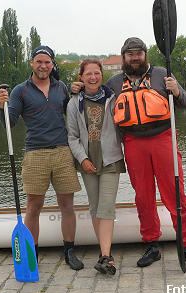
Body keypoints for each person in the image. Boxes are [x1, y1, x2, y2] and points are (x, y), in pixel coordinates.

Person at [72, 37, 186, 271]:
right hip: (133, 142)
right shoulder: (113, 83)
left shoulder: (162, 74)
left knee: (175, 195)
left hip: (163, 139)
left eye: (138, 53)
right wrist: (78, 87)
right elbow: (93, 92)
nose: (134, 57)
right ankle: (152, 243)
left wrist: (176, 91)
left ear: (145, 55)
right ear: (123, 58)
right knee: (143, 196)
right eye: (130, 54)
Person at [0, 45, 84, 271]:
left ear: (52, 64)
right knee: (33, 206)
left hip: (63, 151)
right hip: (35, 153)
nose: (43, 66)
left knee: (67, 204)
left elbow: (73, 113)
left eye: (47, 62)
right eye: (39, 62)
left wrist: (76, 93)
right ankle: (31, 254)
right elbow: (9, 123)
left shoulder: (61, 87)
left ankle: (69, 251)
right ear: (32, 63)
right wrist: (2, 108)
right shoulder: (20, 91)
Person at [66, 59, 125, 275]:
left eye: (96, 73)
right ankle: (104, 252)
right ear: (81, 77)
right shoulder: (73, 103)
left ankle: (105, 256)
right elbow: (72, 137)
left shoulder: (112, 97)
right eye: (88, 74)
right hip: (87, 161)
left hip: (110, 159)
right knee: (94, 207)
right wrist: (82, 159)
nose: (93, 77)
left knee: (106, 206)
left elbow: (124, 124)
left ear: (102, 75)